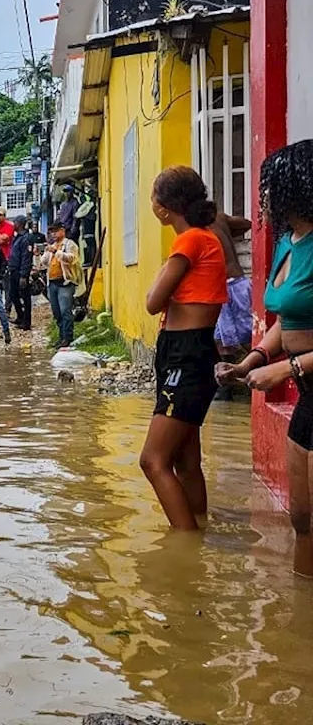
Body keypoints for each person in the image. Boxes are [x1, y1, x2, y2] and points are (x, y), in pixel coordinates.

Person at [217, 140, 313, 574]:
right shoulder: (287, 243)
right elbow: (285, 320)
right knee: (302, 517)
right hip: (307, 392)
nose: (266, 197)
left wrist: (286, 369)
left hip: (302, 375)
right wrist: (252, 360)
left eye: (273, 187)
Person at [139, 166, 228, 532]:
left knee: (153, 461)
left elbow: (153, 301)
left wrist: (162, 275)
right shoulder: (206, 239)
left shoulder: (189, 242)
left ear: (163, 208)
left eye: (153, 197)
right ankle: (200, 536)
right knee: (187, 460)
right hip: (195, 351)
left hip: (184, 355)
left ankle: (186, 543)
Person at [209, 208, 254, 394]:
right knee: (249, 336)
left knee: (224, 340)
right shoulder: (218, 216)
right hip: (240, 283)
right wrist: (226, 231)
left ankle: (227, 390)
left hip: (224, 286)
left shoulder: (195, 224)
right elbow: (247, 224)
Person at [42, 222, 82, 347]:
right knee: (57, 312)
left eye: (55, 231)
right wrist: (41, 253)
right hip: (52, 282)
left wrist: (56, 252)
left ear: (63, 231)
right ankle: (61, 336)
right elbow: (44, 262)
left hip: (65, 282)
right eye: (51, 232)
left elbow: (72, 258)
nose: (53, 234)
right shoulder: (52, 245)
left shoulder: (70, 244)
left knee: (65, 310)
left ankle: (67, 337)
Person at [7, 217, 35, 330]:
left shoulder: (26, 238)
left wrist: (24, 275)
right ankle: (20, 316)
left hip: (21, 271)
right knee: (13, 294)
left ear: (19, 224)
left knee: (25, 297)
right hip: (13, 270)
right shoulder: (17, 237)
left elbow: (26, 257)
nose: (13, 224)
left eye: (15, 222)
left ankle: (26, 322)